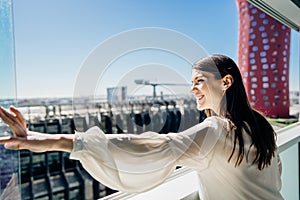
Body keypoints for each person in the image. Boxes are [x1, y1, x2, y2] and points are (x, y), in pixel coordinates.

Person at [0, 54, 283, 199]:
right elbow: (274, 178)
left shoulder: (216, 130)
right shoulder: (262, 125)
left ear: (226, 82)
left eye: (199, 80)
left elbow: (154, 145)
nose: (192, 88)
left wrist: (53, 141)